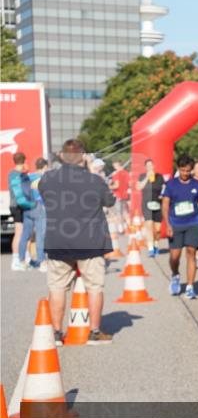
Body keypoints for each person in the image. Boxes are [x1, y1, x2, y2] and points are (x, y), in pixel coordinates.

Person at [39, 139, 116, 344]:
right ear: (83, 156)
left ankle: (56, 333)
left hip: (58, 242)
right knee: (94, 287)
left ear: (62, 157)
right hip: (90, 242)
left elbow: (44, 196)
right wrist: (91, 169)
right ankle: (95, 331)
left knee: (57, 287)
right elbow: (110, 201)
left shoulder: (48, 179)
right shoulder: (95, 181)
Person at [161, 156, 198, 299]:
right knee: (174, 257)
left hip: (193, 223)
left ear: (192, 170)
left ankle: (190, 286)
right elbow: (165, 205)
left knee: (191, 253)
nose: (185, 173)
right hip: (175, 224)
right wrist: (168, 224)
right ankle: (175, 275)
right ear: (178, 169)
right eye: (182, 170)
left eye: (188, 171)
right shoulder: (171, 185)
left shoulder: (197, 185)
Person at [19, 158, 48, 271]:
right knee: (40, 235)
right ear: (44, 167)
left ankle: (21, 260)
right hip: (38, 207)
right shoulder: (42, 178)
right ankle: (41, 261)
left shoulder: (29, 176)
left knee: (25, 235)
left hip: (27, 208)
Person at [137, 159, 165, 257]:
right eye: (147, 166)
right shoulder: (142, 176)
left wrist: (163, 195)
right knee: (148, 225)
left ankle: (156, 244)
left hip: (158, 204)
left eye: (151, 165)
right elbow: (138, 187)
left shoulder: (160, 177)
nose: (149, 167)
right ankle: (150, 248)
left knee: (157, 230)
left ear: (154, 166)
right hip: (146, 204)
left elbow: (164, 188)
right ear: (145, 167)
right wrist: (147, 178)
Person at [8, 152, 31, 271]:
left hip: (13, 205)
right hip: (20, 205)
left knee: (20, 233)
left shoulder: (11, 174)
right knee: (20, 233)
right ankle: (18, 260)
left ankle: (19, 259)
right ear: (24, 161)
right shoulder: (21, 175)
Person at [108, 160, 131, 226]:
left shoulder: (116, 174)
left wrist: (107, 186)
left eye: (114, 166)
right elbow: (129, 184)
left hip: (118, 195)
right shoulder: (126, 173)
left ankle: (121, 228)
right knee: (125, 211)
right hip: (125, 195)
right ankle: (130, 227)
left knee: (119, 212)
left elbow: (116, 186)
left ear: (116, 166)